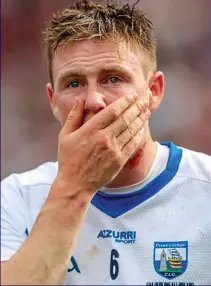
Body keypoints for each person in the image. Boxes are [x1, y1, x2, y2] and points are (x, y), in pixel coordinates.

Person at [1, 1, 211, 285]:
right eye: (74, 83)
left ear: (154, 91)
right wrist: (75, 187)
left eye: (113, 78)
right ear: (52, 101)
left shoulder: (205, 187)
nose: (93, 101)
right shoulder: (15, 198)